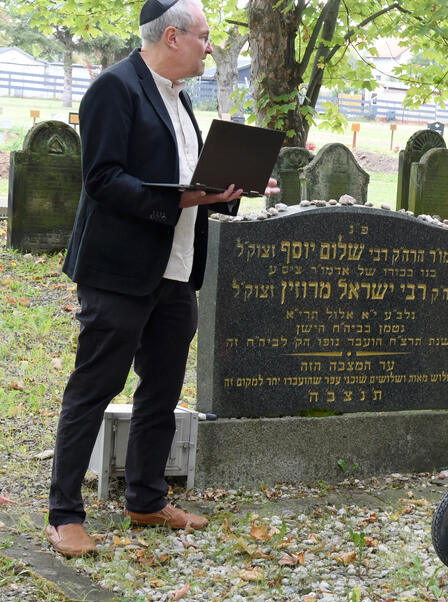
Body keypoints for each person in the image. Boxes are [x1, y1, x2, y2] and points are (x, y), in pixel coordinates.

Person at [45, 0, 277, 557]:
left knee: (163, 390)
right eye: (203, 36)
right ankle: (64, 515)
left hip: (175, 272)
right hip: (119, 271)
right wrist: (185, 199)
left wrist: (225, 194)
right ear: (171, 37)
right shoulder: (114, 89)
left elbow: (185, 181)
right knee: (94, 389)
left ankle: (146, 498)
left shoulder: (181, 99)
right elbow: (102, 180)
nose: (210, 46)